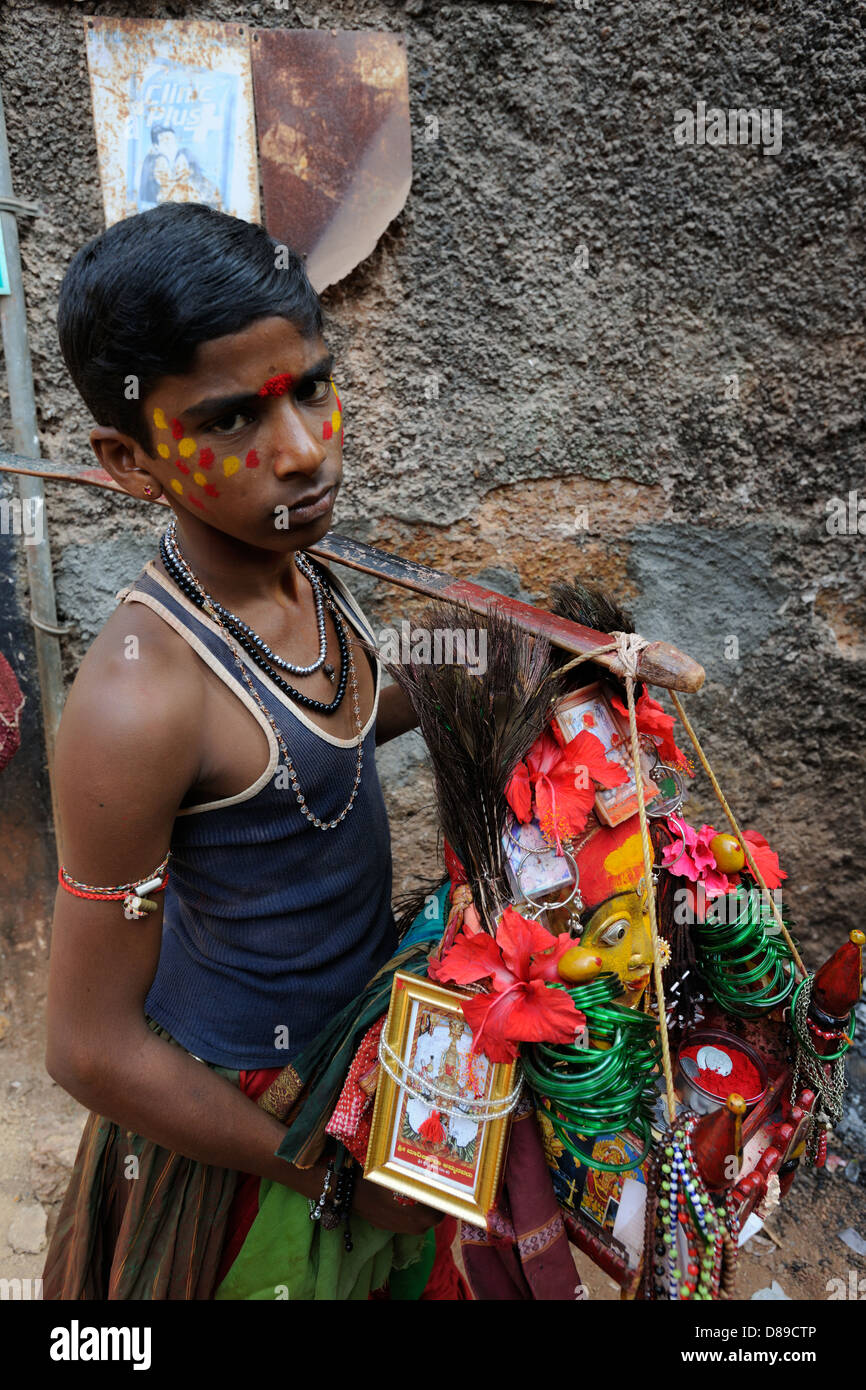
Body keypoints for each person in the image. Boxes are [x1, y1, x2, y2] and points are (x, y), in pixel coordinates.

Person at [41, 201, 457, 1300]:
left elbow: (336, 721)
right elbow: (86, 1050)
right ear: (131, 460)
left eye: (310, 388)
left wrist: (532, 659)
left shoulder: (294, 572)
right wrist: (326, 1174)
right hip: (245, 1125)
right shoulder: (139, 701)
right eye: (231, 421)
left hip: (348, 1066)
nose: (303, 451)